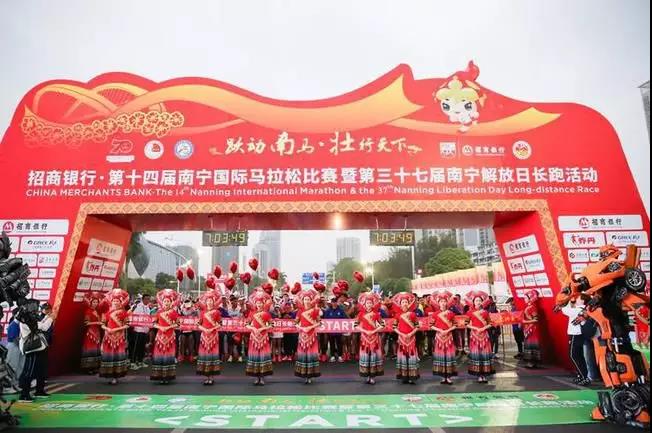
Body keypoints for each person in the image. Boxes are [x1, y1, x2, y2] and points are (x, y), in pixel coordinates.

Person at [18, 302, 54, 402]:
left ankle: (39, 391)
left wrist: (47, 317)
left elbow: (40, 324)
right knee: (29, 371)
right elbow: (44, 327)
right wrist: (51, 318)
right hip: (32, 349)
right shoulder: (25, 320)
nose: (37, 311)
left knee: (40, 370)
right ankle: (24, 395)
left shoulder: (30, 318)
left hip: (39, 348)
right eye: (35, 309)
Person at [99, 289, 130, 385]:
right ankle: (110, 375)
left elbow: (127, 325)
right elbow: (102, 324)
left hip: (119, 338)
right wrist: (107, 329)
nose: (115, 303)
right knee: (109, 356)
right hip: (108, 337)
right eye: (114, 301)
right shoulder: (107, 312)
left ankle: (116, 376)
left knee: (117, 356)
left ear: (120, 302)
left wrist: (116, 329)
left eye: (117, 301)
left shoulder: (124, 313)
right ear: (111, 302)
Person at [150, 289, 180, 384]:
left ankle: (167, 377)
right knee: (159, 355)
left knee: (168, 356)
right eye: (165, 301)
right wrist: (160, 327)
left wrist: (168, 327)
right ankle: (159, 376)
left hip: (170, 337)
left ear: (171, 303)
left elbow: (178, 324)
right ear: (162, 303)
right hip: (160, 337)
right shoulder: (159, 312)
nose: (166, 303)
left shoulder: (174, 312)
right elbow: (153, 323)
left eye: (168, 301)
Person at [355, 292, 385, 384]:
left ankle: (372, 377)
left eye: (370, 303)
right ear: (364, 304)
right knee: (366, 356)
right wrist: (364, 331)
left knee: (373, 356)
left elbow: (382, 325)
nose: (369, 305)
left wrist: (374, 330)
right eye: (367, 303)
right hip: (365, 338)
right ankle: (367, 376)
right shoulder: (361, 314)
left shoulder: (376, 314)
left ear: (373, 304)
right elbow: (355, 325)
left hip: (374, 337)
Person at [245, 289, 274, 385]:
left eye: (261, 303)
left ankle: (262, 378)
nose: (259, 304)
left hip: (263, 337)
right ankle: (256, 377)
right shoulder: (252, 313)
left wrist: (263, 328)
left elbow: (272, 325)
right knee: (255, 356)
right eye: (257, 303)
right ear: (255, 304)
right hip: (254, 337)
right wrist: (253, 328)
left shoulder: (266, 314)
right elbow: (246, 324)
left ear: (263, 303)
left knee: (262, 356)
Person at [465, 291, 495, 383]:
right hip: (474, 336)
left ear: (482, 302)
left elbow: (490, 323)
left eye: (479, 300)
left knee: (484, 354)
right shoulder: (469, 312)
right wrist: (476, 328)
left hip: (484, 336)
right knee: (477, 355)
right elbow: (466, 324)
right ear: (473, 302)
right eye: (476, 300)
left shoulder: (485, 312)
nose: (478, 302)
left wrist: (483, 328)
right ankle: (479, 375)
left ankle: (484, 375)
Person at [294, 289, 322, 383]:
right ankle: (303, 374)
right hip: (302, 336)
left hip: (312, 335)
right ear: (302, 300)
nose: (307, 301)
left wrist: (310, 327)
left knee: (311, 354)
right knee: (303, 354)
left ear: (311, 300)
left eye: (308, 299)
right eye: (305, 299)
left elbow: (319, 323)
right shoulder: (300, 311)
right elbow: (295, 323)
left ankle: (310, 376)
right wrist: (302, 328)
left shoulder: (315, 310)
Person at [392, 292, 420, 384]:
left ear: (409, 304)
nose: (404, 304)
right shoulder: (397, 315)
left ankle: (412, 376)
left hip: (411, 338)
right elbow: (394, 327)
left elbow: (417, 326)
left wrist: (411, 333)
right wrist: (401, 334)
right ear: (400, 304)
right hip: (402, 339)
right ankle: (404, 376)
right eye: (403, 302)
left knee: (411, 357)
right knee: (403, 357)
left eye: (406, 302)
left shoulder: (413, 314)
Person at [561, 297, 590, 386]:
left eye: (578, 298)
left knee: (573, 355)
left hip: (576, 334)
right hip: (577, 335)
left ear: (582, 301)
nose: (576, 299)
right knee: (579, 356)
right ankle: (581, 375)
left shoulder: (579, 310)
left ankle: (584, 376)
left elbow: (565, 310)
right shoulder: (580, 309)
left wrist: (568, 299)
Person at [430, 291, 457, 385]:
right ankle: (442, 377)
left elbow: (455, 325)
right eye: (441, 301)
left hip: (448, 336)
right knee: (441, 356)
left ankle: (448, 377)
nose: (443, 303)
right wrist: (440, 330)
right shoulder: (435, 314)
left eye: (444, 301)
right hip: (439, 337)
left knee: (449, 356)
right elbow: (431, 326)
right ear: (438, 303)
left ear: (447, 302)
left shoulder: (451, 313)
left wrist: (447, 330)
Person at [196, 290, 222, 385]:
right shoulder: (202, 312)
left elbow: (220, 324)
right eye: (208, 301)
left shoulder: (217, 312)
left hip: (213, 336)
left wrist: (212, 329)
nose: (209, 302)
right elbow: (198, 324)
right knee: (205, 356)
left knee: (212, 355)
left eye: (211, 300)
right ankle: (206, 377)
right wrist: (204, 329)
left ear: (214, 302)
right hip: (204, 336)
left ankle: (211, 377)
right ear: (206, 302)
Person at [81, 292, 103, 374]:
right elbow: (86, 323)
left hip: (96, 332)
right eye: (94, 302)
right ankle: (88, 368)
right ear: (90, 302)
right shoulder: (88, 311)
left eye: (96, 302)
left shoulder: (96, 311)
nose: (95, 303)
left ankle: (94, 367)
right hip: (90, 332)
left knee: (95, 349)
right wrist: (97, 323)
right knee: (90, 349)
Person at [129, 294, 152, 370]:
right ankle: (132, 363)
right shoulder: (138, 306)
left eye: (148, 299)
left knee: (142, 347)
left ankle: (140, 361)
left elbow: (148, 318)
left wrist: (148, 328)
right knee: (136, 347)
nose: (147, 300)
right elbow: (133, 316)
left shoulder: (148, 308)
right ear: (143, 299)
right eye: (146, 299)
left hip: (144, 330)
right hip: (138, 330)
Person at [522, 290, 541, 368]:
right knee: (529, 345)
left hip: (532, 329)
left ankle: (532, 363)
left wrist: (525, 321)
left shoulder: (532, 308)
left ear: (530, 298)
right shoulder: (529, 307)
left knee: (531, 345)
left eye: (526, 298)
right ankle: (531, 363)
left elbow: (536, 319)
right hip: (528, 328)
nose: (524, 299)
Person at [323, 298, 346, 362]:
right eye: (333, 302)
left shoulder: (341, 310)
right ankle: (332, 356)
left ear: (337, 303)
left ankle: (340, 356)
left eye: (335, 302)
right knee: (331, 343)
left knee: (339, 343)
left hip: (339, 331)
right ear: (331, 303)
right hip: (331, 331)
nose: (334, 303)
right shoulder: (328, 311)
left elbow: (344, 319)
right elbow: (325, 320)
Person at [6, 309, 25, 380]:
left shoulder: (20, 324)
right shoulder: (13, 325)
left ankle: (17, 381)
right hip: (13, 346)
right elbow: (15, 340)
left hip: (20, 346)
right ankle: (9, 382)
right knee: (12, 365)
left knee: (20, 365)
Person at [177, 298, 198, 363]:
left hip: (191, 330)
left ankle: (191, 355)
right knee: (182, 339)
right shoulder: (181, 310)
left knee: (191, 338)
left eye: (188, 303)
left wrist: (194, 309)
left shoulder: (194, 311)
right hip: (183, 330)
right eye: (186, 303)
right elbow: (178, 319)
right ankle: (182, 355)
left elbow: (197, 318)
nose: (187, 304)